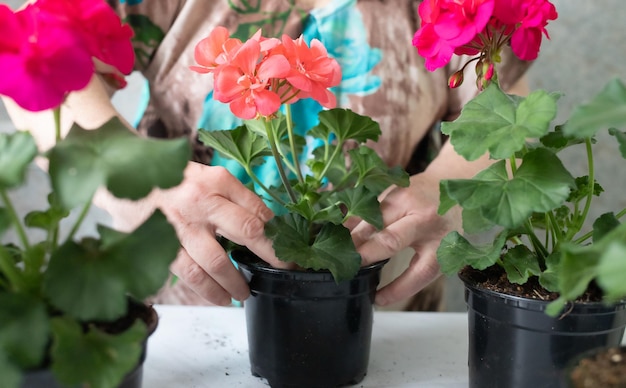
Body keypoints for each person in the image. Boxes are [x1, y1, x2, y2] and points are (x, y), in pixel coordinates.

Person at [3, 0, 530, 311]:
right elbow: (30, 51)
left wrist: (451, 185)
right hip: (187, 320)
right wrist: (131, 174)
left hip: (382, 318)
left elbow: (506, 102)